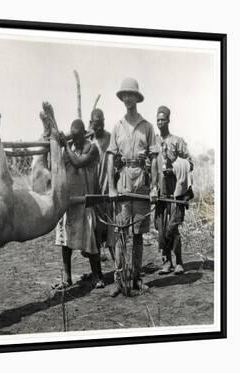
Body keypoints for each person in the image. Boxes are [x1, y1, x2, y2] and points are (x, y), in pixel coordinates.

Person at [107, 77, 159, 297]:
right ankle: (119, 280)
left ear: (137, 98)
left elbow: (156, 159)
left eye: (131, 95)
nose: (127, 98)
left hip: (141, 186)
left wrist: (155, 187)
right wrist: (111, 186)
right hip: (123, 184)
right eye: (124, 95)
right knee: (120, 233)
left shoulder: (147, 127)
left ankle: (137, 278)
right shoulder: (117, 127)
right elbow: (110, 157)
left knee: (138, 235)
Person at [54, 119, 104, 290]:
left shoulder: (91, 147)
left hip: (85, 200)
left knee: (90, 241)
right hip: (69, 201)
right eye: (72, 138)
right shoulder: (70, 149)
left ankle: (97, 276)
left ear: (84, 133)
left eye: (77, 137)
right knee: (66, 241)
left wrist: (66, 145)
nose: (75, 141)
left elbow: (78, 162)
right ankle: (67, 278)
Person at [154, 105, 193, 275]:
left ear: (168, 120)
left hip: (175, 191)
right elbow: (150, 164)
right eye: (158, 120)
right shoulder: (153, 142)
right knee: (161, 227)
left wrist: (175, 167)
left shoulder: (177, 141)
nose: (160, 122)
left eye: (163, 119)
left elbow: (190, 163)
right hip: (159, 191)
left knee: (173, 227)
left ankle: (179, 262)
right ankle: (167, 262)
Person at [90, 108, 115, 262]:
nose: (98, 127)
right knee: (96, 229)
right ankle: (98, 269)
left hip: (109, 187)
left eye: (100, 124)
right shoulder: (88, 141)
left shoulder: (111, 139)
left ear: (104, 122)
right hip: (94, 189)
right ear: (91, 124)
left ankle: (118, 264)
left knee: (112, 227)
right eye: (95, 124)